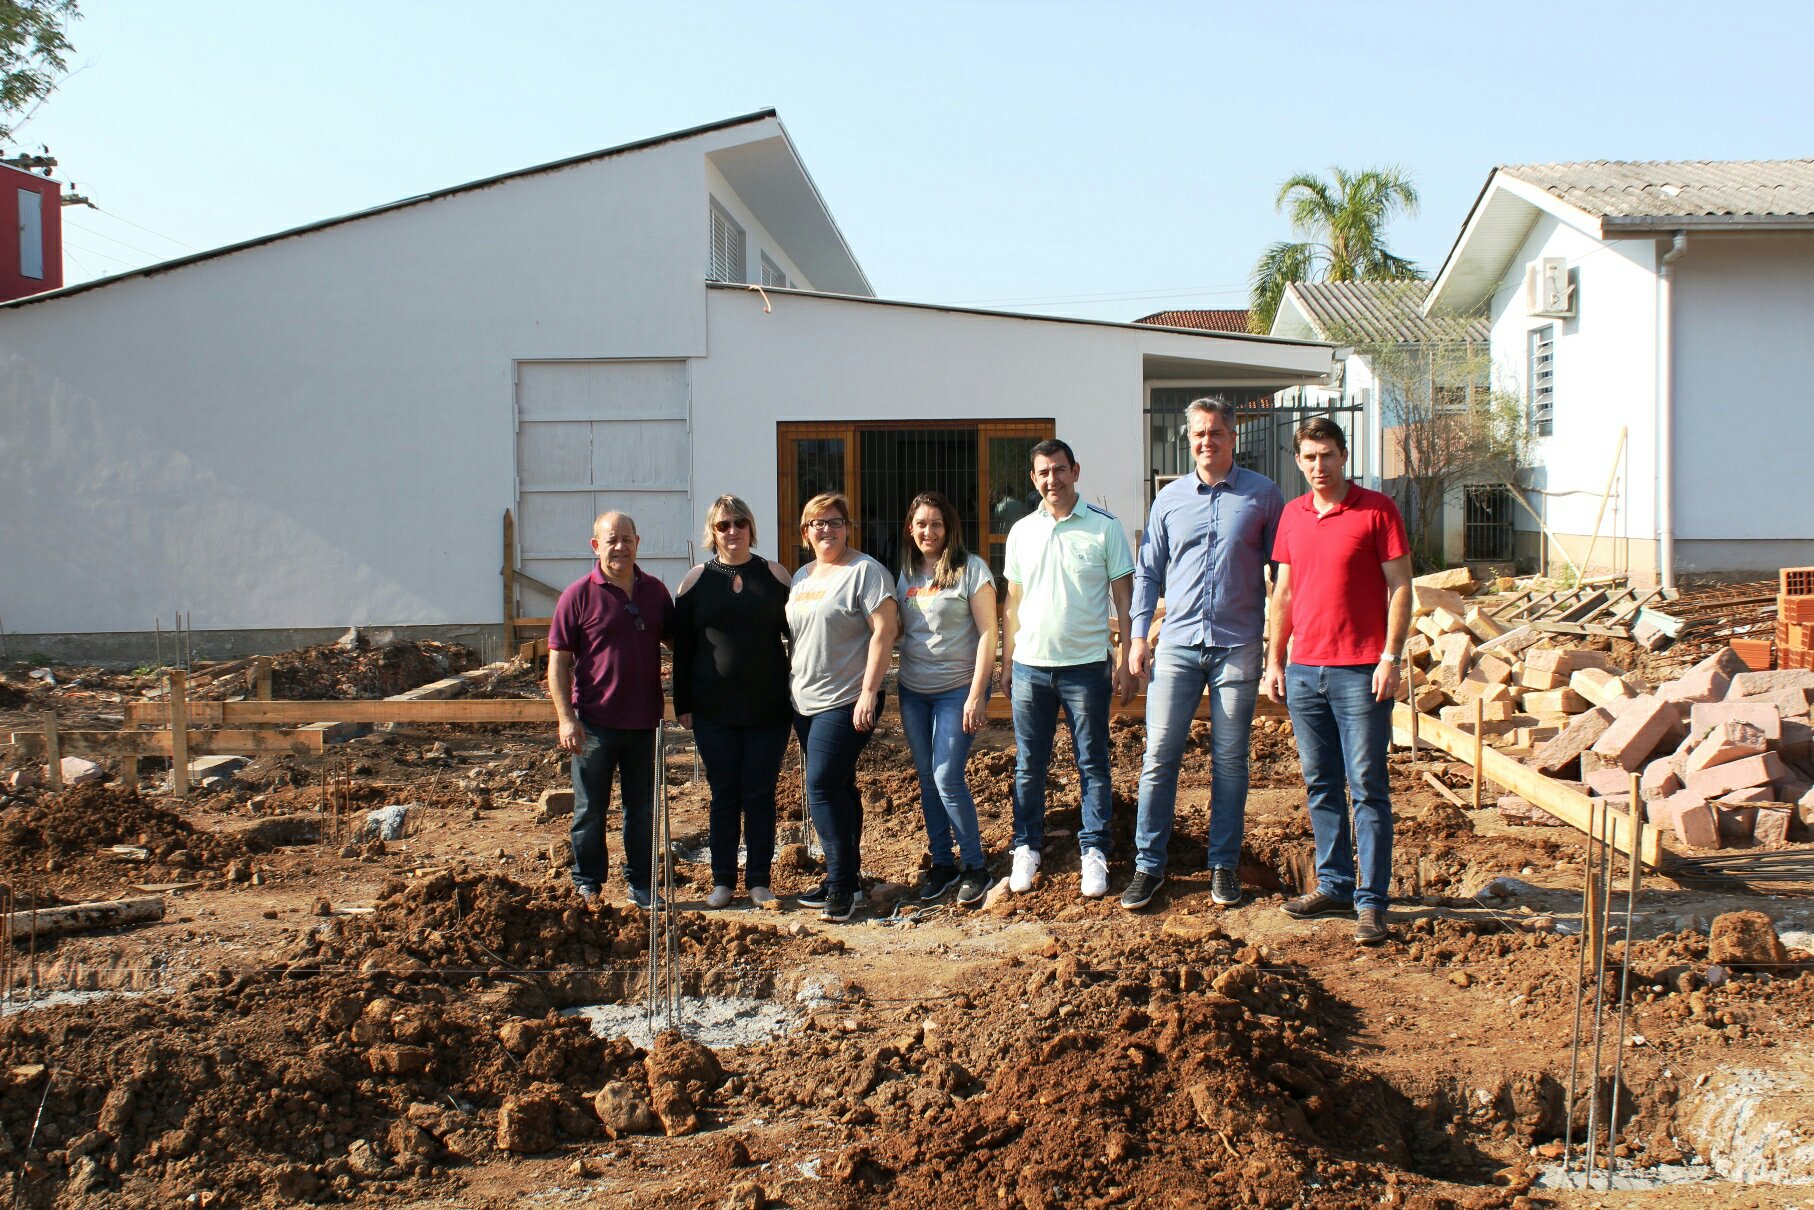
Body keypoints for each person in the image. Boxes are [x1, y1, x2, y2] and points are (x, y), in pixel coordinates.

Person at [1123, 397, 1284, 911]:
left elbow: (1283, 575)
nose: (1206, 441)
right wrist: (1140, 634)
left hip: (1237, 646)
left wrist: (1282, 640)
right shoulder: (1169, 499)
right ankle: (1149, 866)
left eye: (1215, 432)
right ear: (1188, 439)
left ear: (1232, 437)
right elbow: (1148, 570)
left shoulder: (1263, 496)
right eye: (1198, 434)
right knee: (1158, 757)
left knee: (1231, 761)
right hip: (1178, 646)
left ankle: (1223, 865)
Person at [1262, 417, 1413, 946]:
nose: (1318, 466)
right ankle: (1335, 884)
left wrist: (1390, 656)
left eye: (1326, 455)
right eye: (1308, 457)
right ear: (1298, 461)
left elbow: (1400, 587)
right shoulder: (1292, 516)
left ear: (1343, 455)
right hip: (1305, 671)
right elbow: (1282, 595)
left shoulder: (1378, 511)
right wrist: (1275, 660)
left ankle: (1371, 901)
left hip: (1360, 672)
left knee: (1368, 787)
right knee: (1321, 783)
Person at [998, 438, 1136, 899]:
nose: (1052, 479)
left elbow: (1123, 596)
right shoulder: (1020, 532)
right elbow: (1012, 601)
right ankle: (1026, 847)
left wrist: (1127, 654)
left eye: (1059, 469)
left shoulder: (1105, 528)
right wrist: (1006, 656)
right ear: (1033, 479)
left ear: (1075, 470)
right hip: (1031, 669)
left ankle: (1093, 850)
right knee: (1029, 765)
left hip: (1087, 668)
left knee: (1093, 764)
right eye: (1043, 472)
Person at [672, 494, 795, 910]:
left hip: (769, 710)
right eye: (723, 525)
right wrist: (682, 704)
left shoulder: (775, 576)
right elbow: (683, 650)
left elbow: (802, 638)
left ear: (750, 527)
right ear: (713, 531)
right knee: (724, 793)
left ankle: (759, 879)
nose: (732, 531)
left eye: (739, 522)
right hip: (713, 711)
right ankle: (723, 879)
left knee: (760, 793)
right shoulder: (694, 581)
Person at [549, 511, 673, 909]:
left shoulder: (655, 593)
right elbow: (558, 663)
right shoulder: (578, 595)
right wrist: (566, 717)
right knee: (589, 810)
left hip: (644, 724)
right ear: (595, 545)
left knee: (641, 810)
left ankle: (640, 884)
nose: (619, 547)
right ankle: (588, 883)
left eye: (626, 539)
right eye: (611, 539)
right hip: (593, 726)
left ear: (638, 542)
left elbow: (681, 647)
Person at [787, 492, 898, 923]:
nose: (827, 530)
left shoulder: (865, 572)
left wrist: (870, 691)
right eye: (818, 523)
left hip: (848, 698)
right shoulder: (802, 576)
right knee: (839, 786)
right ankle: (846, 878)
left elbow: (884, 631)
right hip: (805, 700)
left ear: (848, 527)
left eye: (835, 522)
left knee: (819, 786)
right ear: (805, 532)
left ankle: (839, 886)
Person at [895, 491, 997, 908]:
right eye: (921, 523)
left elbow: (990, 633)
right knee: (926, 778)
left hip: (958, 688)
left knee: (946, 776)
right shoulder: (904, 574)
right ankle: (942, 863)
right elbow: (897, 629)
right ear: (910, 528)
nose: (928, 531)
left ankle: (975, 866)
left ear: (949, 528)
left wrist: (977, 694)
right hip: (913, 690)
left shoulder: (972, 570)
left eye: (936, 524)